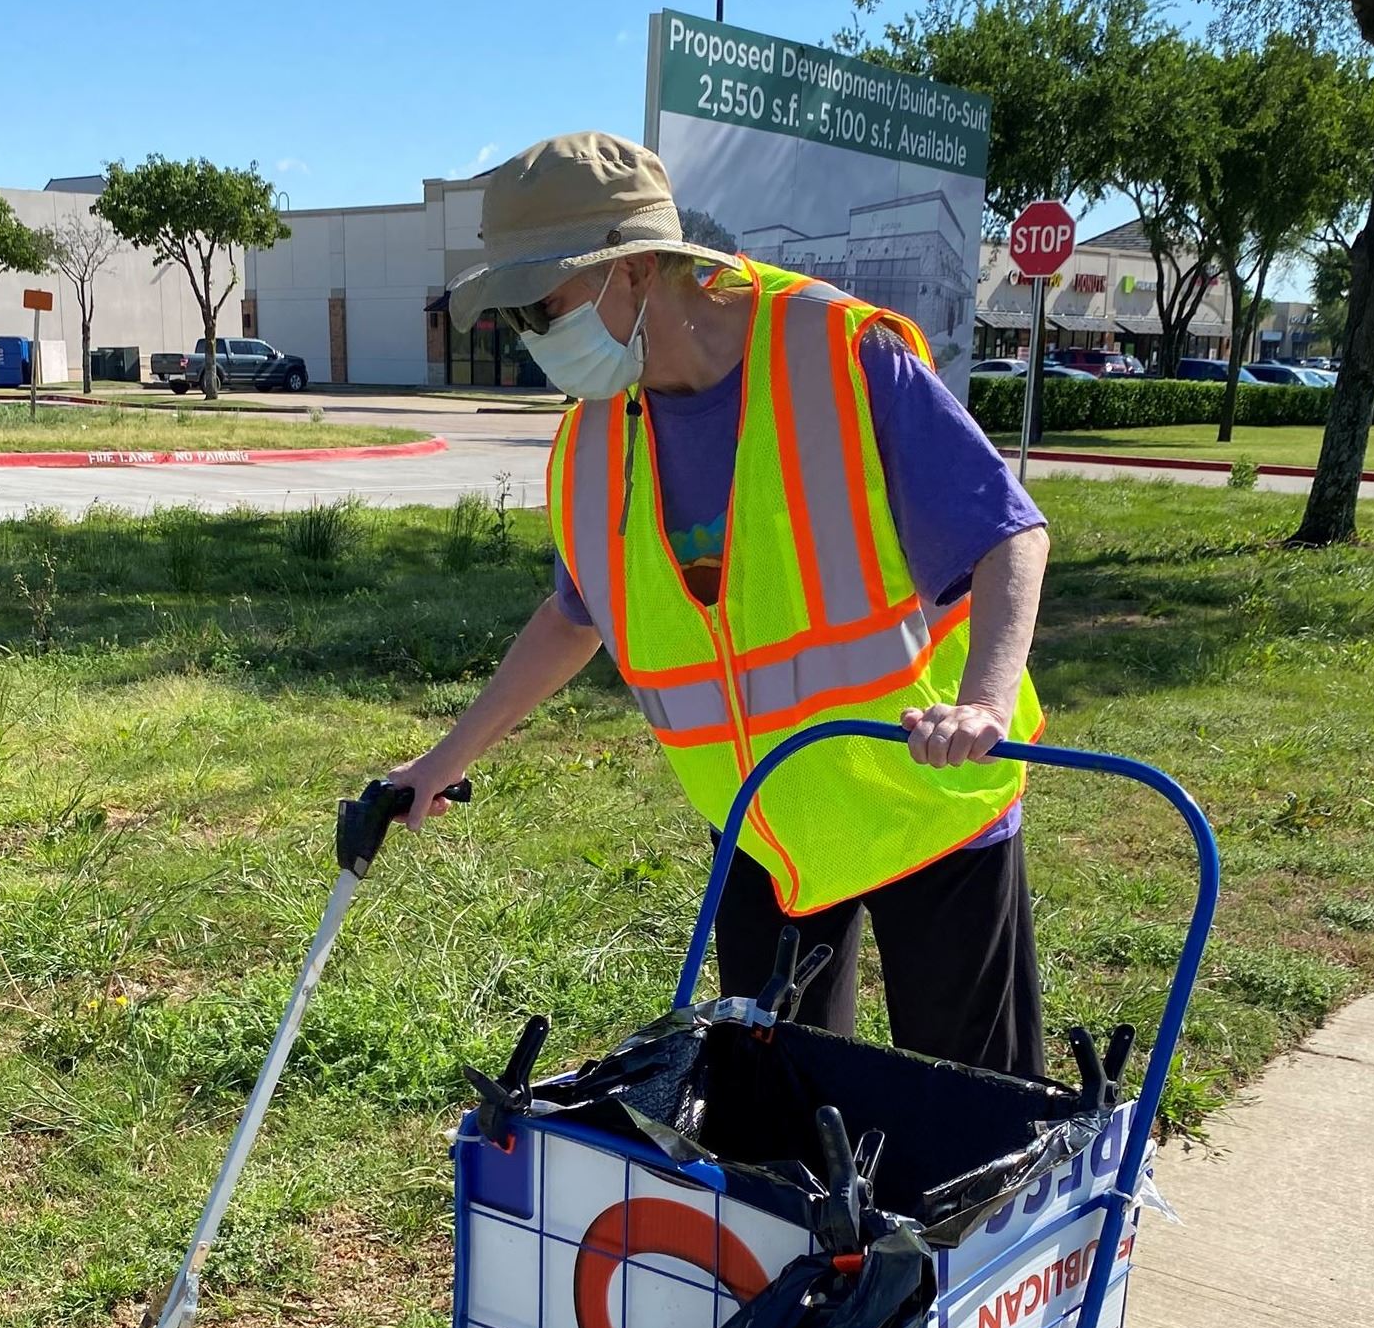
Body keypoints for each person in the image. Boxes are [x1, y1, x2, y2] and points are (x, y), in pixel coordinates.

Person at [388, 132, 1051, 1076]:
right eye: (518, 313)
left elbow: (1009, 535)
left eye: (547, 303)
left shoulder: (840, 355)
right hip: (763, 832)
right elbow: (575, 617)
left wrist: (985, 701)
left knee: (970, 1123)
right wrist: (442, 759)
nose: (533, 333)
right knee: (773, 1129)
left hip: (930, 806)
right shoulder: (591, 446)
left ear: (640, 267)